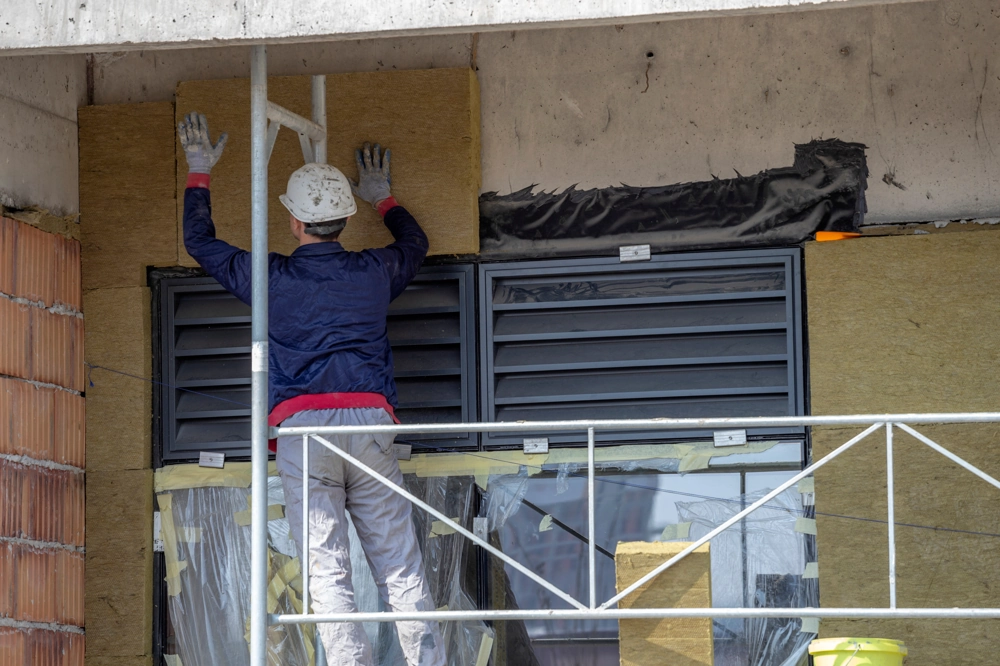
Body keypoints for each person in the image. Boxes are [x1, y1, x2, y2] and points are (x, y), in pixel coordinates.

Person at [178, 112, 445, 666]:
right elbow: (416, 244)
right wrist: (385, 199)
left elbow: (200, 243)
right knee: (399, 564)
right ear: (344, 219)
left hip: (305, 434)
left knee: (327, 568)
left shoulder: (270, 279)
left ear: (295, 222)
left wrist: (199, 171)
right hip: (369, 426)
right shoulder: (374, 271)